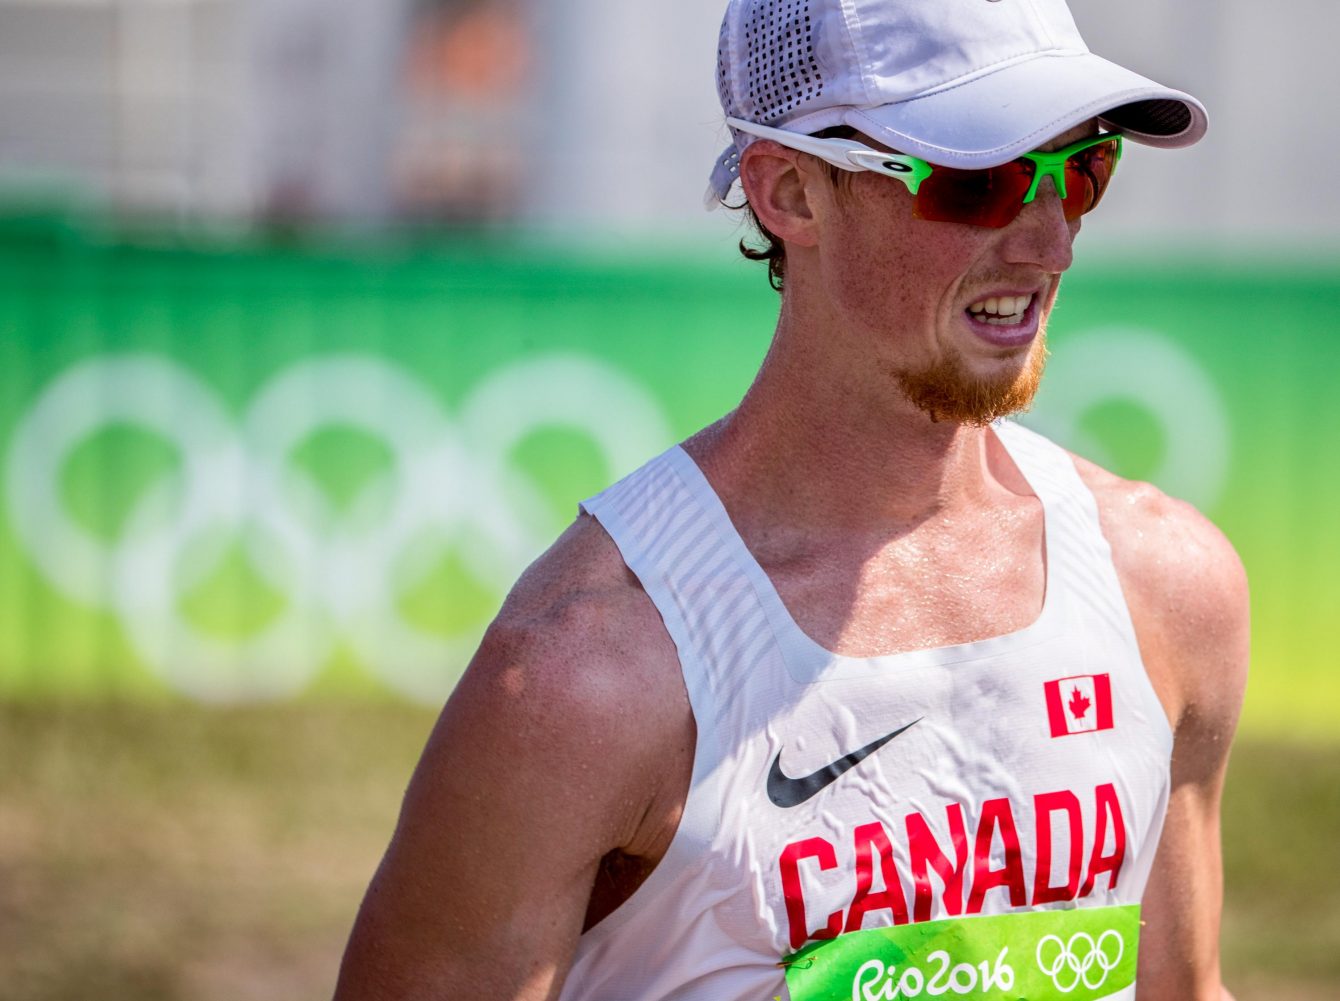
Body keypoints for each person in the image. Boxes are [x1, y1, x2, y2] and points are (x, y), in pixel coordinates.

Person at [333, 1, 1247, 999]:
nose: (1048, 245)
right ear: (789, 193)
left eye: (1081, 170)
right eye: (975, 181)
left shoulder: (1167, 585)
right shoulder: (586, 675)